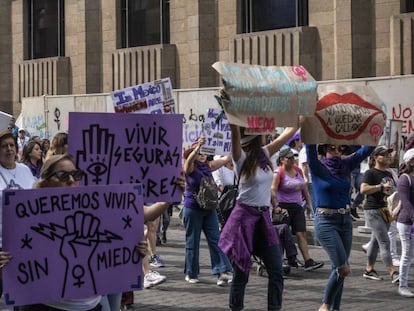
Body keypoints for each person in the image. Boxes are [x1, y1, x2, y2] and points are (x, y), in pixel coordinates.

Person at [219, 125, 297, 311]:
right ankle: (235, 307)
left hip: (263, 218)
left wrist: (302, 113)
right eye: (262, 132)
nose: (266, 134)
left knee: (276, 270)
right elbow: (235, 134)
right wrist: (233, 116)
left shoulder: (265, 153)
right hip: (243, 218)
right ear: (254, 137)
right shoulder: (240, 158)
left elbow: (288, 133)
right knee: (242, 272)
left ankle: (274, 307)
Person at [306, 143, 374, 311]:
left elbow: (367, 148)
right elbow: (309, 146)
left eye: (340, 149)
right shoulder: (317, 168)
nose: (337, 151)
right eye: (332, 148)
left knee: (339, 268)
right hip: (326, 222)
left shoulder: (346, 165)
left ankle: (335, 308)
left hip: (345, 221)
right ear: (323, 151)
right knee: (343, 268)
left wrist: (376, 124)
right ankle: (325, 305)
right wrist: (308, 123)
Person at [182, 135, 233, 286]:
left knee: (216, 239)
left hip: (209, 209)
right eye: (199, 152)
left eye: (204, 152)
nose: (202, 154)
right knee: (193, 241)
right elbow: (188, 163)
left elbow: (226, 159)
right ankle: (191, 273)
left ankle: (222, 271)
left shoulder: (209, 166)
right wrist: (197, 147)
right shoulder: (190, 166)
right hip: (193, 209)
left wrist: (234, 142)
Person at [271, 147, 323, 271]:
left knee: (301, 233)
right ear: (282, 160)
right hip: (283, 207)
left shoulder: (298, 170)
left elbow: (303, 187)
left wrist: (308, 203)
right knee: (282, 233)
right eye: (289, 158)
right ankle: (282, 260)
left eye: (292, 157)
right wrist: (276, 206)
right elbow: (273, 190)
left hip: (297, 207)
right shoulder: (278, 173)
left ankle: (308, 261)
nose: (292, 160)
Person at [0, 129, 36, 298]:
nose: (9, 149)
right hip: (2, 249)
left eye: (11, 145)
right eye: (4, 146)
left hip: (26, 244)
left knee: (22, 296)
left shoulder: (25, 170)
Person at [360, 146, 399, 284]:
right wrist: (379, 187)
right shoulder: (370, 173)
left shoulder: (388, 174)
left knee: (376, 242)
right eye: (383, 155)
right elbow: (363, 189)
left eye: (388, 154)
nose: (387, 157)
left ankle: (369, 269)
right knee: (384, 241)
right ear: (375, 157)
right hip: (373, 210)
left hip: (386, 210)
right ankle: (392, 272)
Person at [396, 148, 414, 297]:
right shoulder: (405, 178)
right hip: (407, 222)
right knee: (407, 254)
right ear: (411, 162)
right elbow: (405, 202)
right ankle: (402, 285)